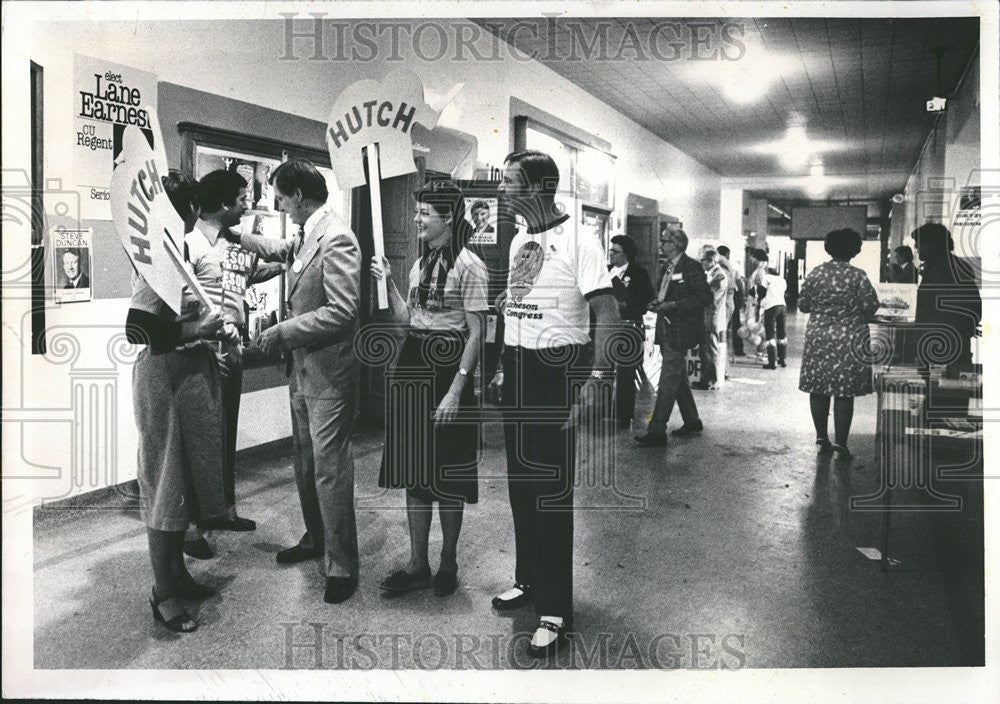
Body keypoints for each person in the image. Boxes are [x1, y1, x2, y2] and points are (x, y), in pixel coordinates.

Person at [485, 149, 620, 657]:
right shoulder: (522, 238)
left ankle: (556, 607)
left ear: (539, 188)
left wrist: (597, 377)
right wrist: (500, 364)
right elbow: (516, 310)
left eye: (510, 182)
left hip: (557, 372)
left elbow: (606, 311)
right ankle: (527, 578)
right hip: (519, 368)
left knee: (550, 491)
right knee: (521, 484)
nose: (501, 190)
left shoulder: (580, 241)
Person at [224, 159, 362, 605]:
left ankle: (341, 564)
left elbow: (342, 312)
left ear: (299, 195)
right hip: (303, 371)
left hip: (328, 375)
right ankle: (315, 538)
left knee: (329, 469)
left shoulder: (337, 237)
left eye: (280, 196)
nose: (276, 203)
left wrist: (283, 332)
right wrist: (234, 235)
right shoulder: (307, 235)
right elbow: (282, 251)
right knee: (305, 463)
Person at [127, 169, 236, 633]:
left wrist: (215, 328)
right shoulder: (156, 262)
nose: (194, 216)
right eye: (189, 209)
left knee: (186, 484)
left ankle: (178, 574)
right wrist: (200, 330)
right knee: (165, 488)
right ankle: (163, 592)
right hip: (164, 380)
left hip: (189, 376)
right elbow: (138, 329)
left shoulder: (179, 252)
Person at [369, 180, 488, 598]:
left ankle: (448, 560)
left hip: (447, 367)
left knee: (449, 474)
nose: (416, 218)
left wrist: (456, 390)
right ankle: (418, 563)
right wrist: (388, 282)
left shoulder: (470, 265)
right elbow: (407, 319)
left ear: (448, 218)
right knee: (414, 473)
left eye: (424, 212)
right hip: (414, 362)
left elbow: (477, 332)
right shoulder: (420, 265)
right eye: (417, 211)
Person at [182, 169, 283, 560]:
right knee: (200, 438)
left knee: (225, 432)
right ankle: (192, 527)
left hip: (233, 347)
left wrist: (292, 263)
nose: (247, 204)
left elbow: (250, 275)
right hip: (202, 348)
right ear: (224, 203)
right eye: (242, 198)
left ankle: (222, 510)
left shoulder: (233, 242)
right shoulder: (190, 245)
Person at [798, 229, 880, 459]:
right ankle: (841, 444)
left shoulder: (816, 274)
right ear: (854, 249)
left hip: (819, 338)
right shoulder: (858, 276)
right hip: (848, 338)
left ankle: (821, 439)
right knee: (844, 392)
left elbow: (803, 304)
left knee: (819, 388)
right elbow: (870, 305)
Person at [634, 228, 712, 446]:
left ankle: (657, 429)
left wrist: (675, 305)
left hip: (680, 330)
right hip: (665, 327)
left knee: (668, 378)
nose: (661, 244)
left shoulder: (692, 266)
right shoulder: (665, 266)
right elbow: (665, 293)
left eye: (666, 241)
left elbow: (705, 296)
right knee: (677, 377)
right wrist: (657, 303)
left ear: (677, 244)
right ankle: (692, 420)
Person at [912, 223, 981, 369]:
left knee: (944, 387)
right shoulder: (949, 265)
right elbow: (974, 308)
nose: (917, 248)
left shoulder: (942, 270)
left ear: (932, 245)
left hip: (942, 345)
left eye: (919, 244)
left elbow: (936, 311)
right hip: (952, 342)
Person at [607, 234, 655, 428]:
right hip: (606, 326)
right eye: (610, 250)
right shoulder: (605, 271)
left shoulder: (639, 273)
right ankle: (600, 410)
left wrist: (621, 300)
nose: (611, 254)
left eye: (615, 252)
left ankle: (623, 416)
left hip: (630, 327)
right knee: (602, 370)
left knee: (626, 373)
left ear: (626, 255)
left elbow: (643, 302)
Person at [693, 248, 728, 389]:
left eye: (703, 260)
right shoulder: (712, 273)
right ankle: (706, 378)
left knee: (710, 349)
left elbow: (710, 297)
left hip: (711, 316)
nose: (701, 263)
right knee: (706, 348)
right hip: (708, 316)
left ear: (712, 261)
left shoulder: (719, 276)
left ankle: (710, 380)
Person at [749, 249, 788, 370]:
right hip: (783, 306)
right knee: (781, 333)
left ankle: (772, 362)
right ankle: (782, 359)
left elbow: (761, 294)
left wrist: (754, 292)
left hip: (771, 307)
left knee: (770, 334)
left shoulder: (766, 279)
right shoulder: (781, 279)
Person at [718, 245, 746, 357]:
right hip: (733, 297)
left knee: (724, 326)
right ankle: (738, 350)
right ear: (728, 254)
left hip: (724, 297)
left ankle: (723, 351)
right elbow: (740, 283)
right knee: (735, 324)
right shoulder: (733, 266)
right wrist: (743, 297)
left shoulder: (718, 266)